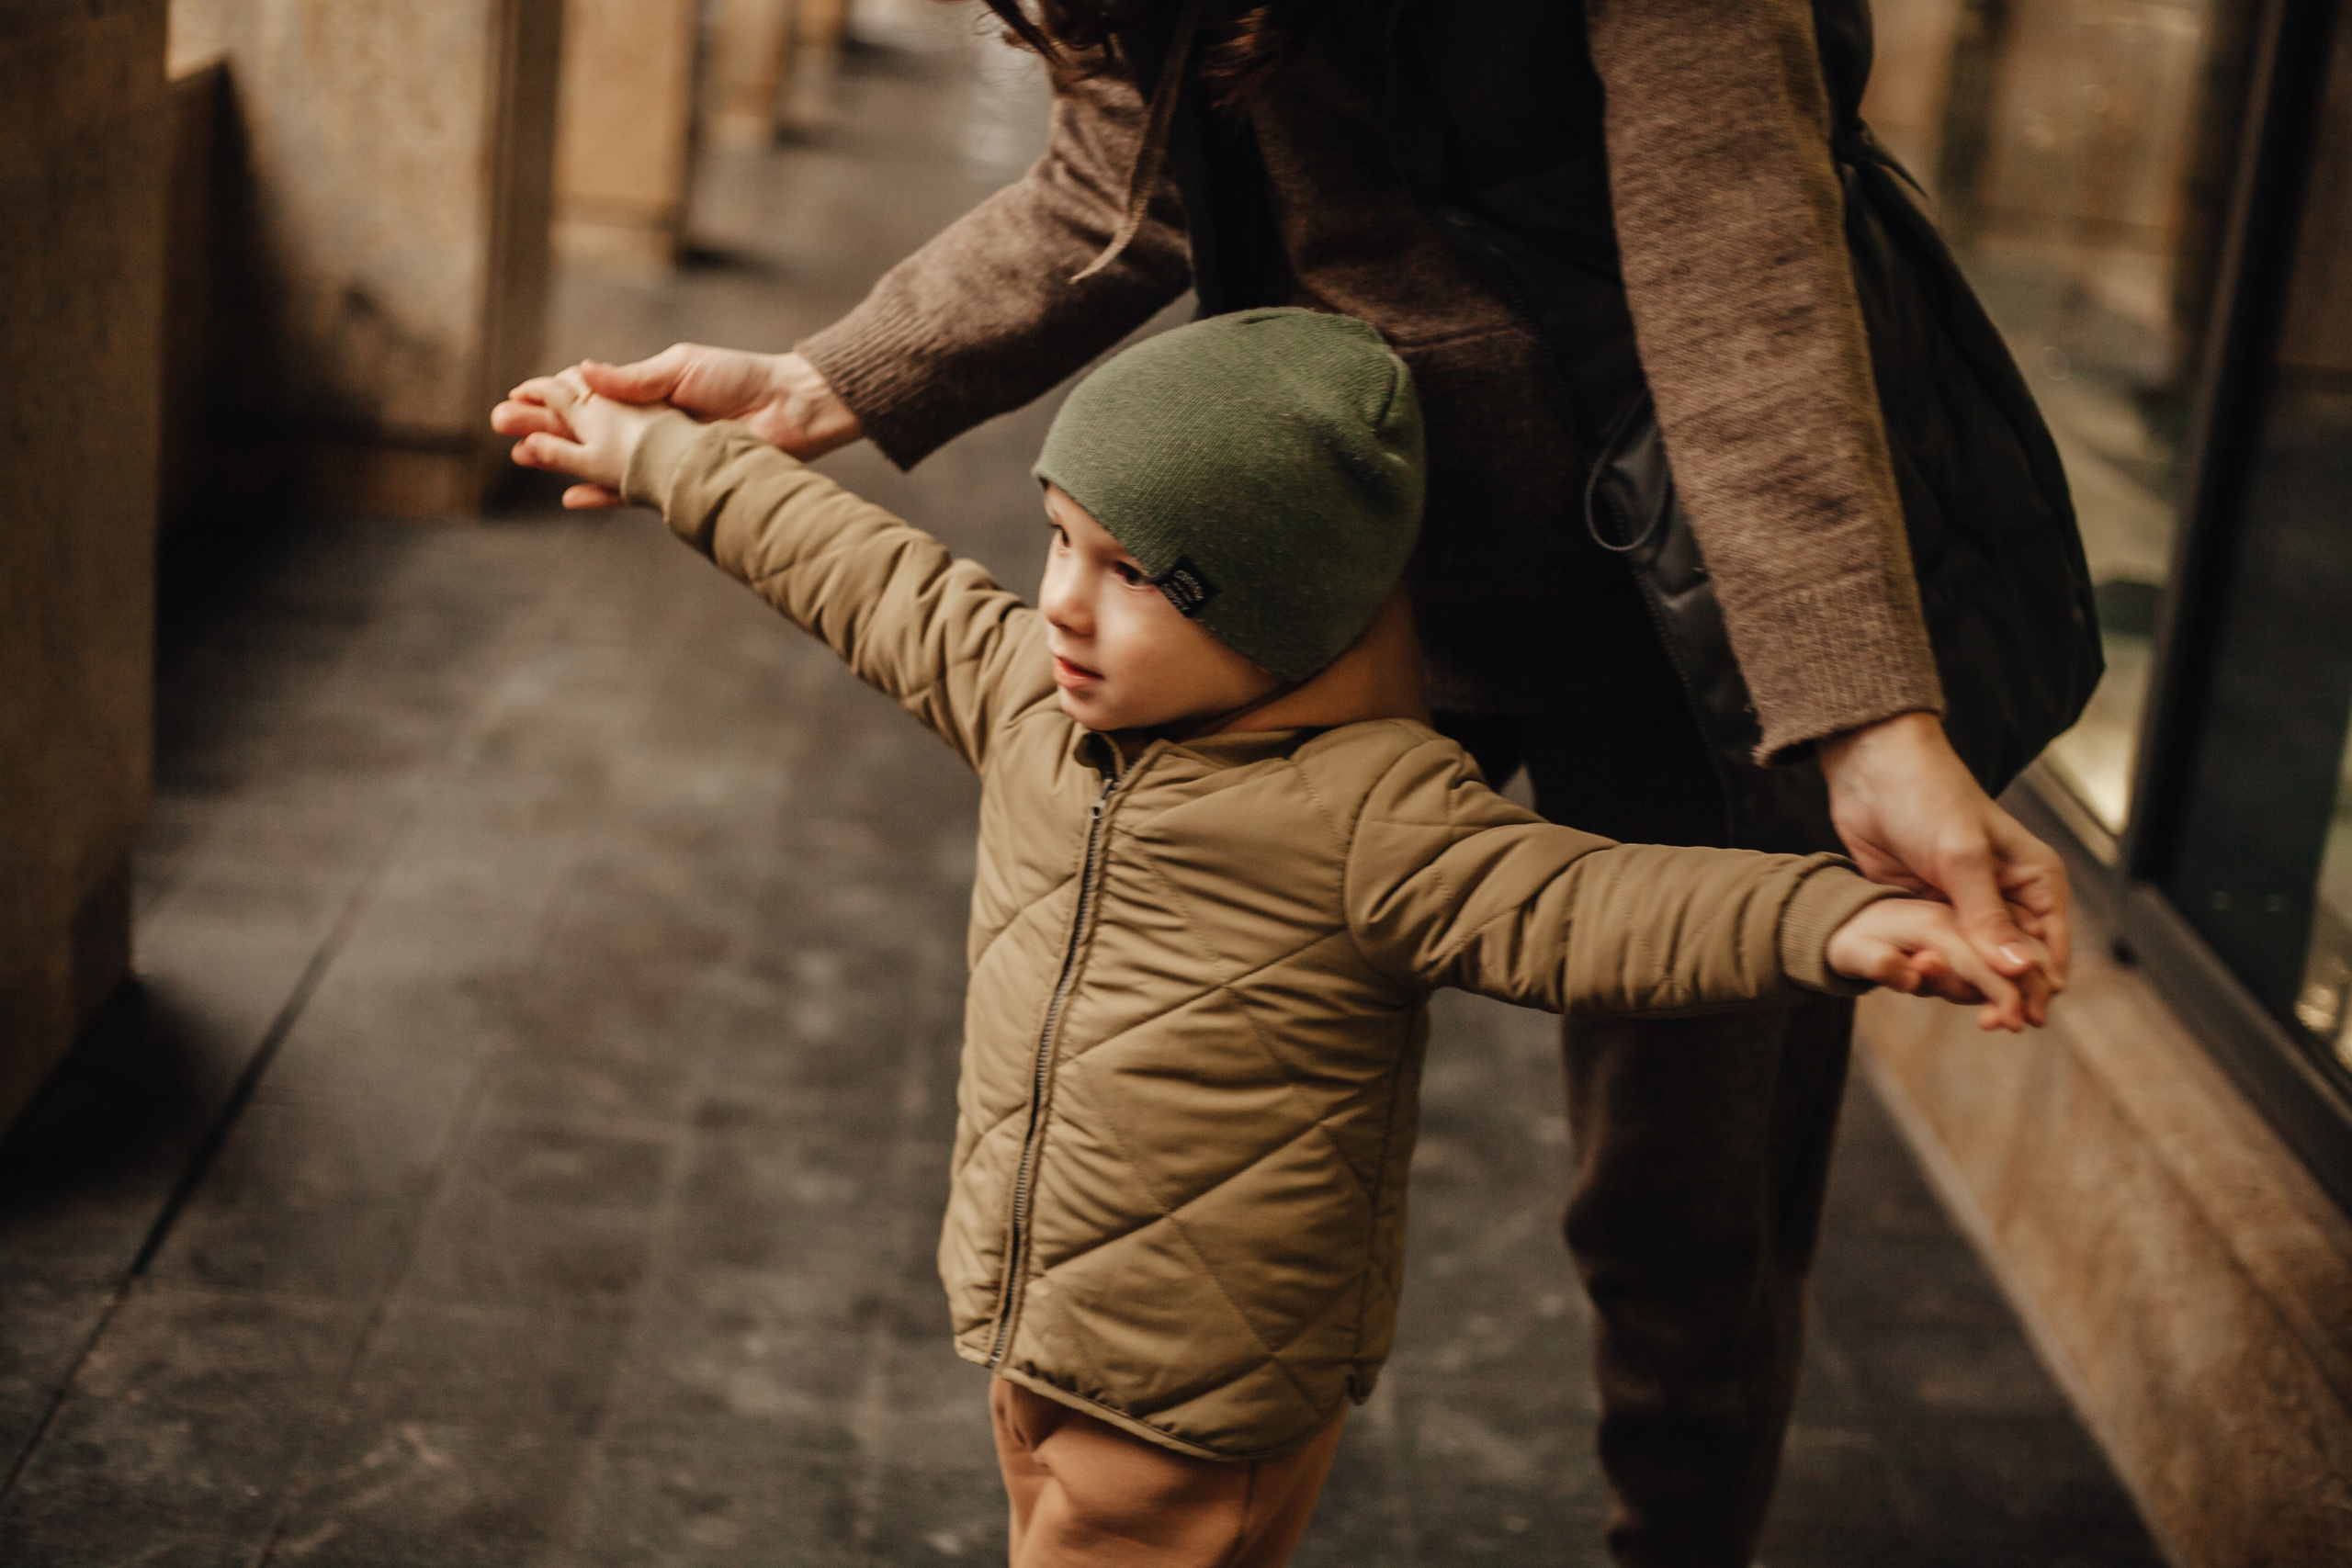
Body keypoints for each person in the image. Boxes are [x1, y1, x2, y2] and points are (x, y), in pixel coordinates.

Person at [494, 6, 2080, 1561]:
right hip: (1295, 576)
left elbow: (1736, 271)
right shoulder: (1097, 651)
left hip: (1696, 598)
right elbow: (1121, 187)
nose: (1046, 605)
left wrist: (1857, 722)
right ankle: (1165, 1433)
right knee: (1185, 1052)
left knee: (1686, 1198)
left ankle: (1677, 1530)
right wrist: (826, 383)